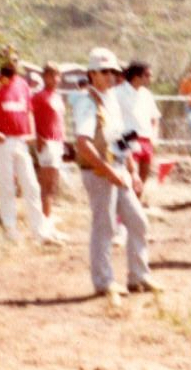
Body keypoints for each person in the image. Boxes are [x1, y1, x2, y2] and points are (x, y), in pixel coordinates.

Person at [72, 47, 155, 295]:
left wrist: (133, 171)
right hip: (99, 172)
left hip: (118, 169)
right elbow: (84, 144)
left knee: (138, 222)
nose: (110, 76)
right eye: (104, 71)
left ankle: (139, 276)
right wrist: (108, 170)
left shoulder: (112, 101)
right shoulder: (88, 103)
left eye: (113, 72)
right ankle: (104, 282)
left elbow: (121, 139)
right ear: (92, 74)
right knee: (104, 227)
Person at [0, 54, 58, 243]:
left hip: (21, 140)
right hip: (3, 141)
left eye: (15, 60)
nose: (12, 63)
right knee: (7, 186)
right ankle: (10, 231)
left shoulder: (23, 84)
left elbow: (29, 111)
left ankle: (39, 231)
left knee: (31, 185)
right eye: (8, 59)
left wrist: (31, 132)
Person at [30, 62, 66, 234]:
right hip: (47, 142)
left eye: (58, 76)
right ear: (45, 77)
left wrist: (64, 141)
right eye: (52, 75)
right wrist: (37, 137)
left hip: (57, 142)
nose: (56, 79)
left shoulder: (57, 97)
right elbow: (28, 115)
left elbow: (60, 121)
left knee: (53, 184)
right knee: (46, 184)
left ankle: (48, 220)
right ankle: (44, 224)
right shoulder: (39, 96)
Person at [114, 61, 160, 193]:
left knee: (142, 180)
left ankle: (135, 209)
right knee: (129, 179)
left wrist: (154, 136)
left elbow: (155, 117)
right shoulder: (118, 92)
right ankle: (123, 212)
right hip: (127, 139)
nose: (150, 78)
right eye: (147, 75)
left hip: (146, 140)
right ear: (136, 76)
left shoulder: (146, 94)